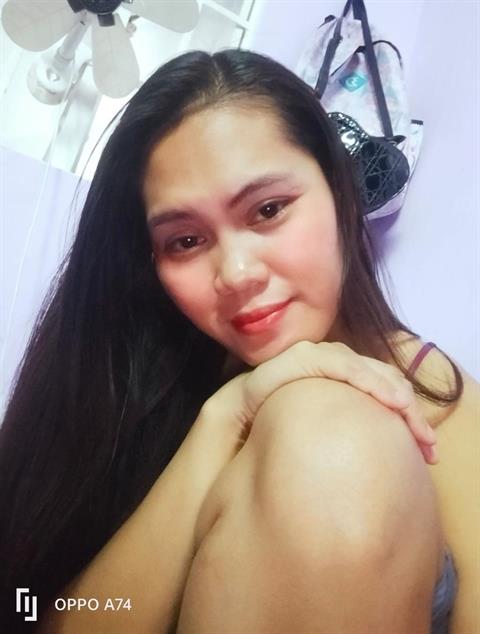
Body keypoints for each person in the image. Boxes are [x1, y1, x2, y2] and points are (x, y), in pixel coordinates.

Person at [0, 49, 477, 634]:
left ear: (339, 193)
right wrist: (225, 417)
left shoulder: (435, 398)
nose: (237, 273)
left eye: (268, 210)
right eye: (185, 241)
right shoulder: (135, 388)